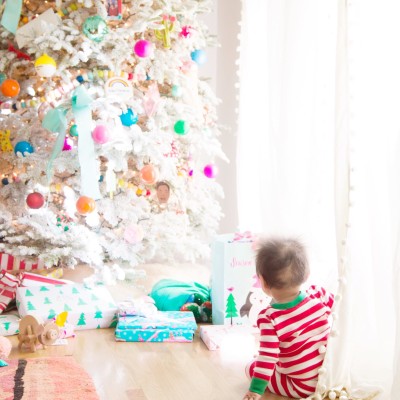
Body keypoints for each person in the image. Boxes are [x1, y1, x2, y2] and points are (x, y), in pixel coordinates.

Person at [243, 237, 334, 400]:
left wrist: (256, 390)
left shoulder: (270, 318)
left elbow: (267, 356)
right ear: (306, 275)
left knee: (251, 367)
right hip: (329, 374)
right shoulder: (318, 294)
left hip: (301, 386)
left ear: (262, 282)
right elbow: (339, 308)